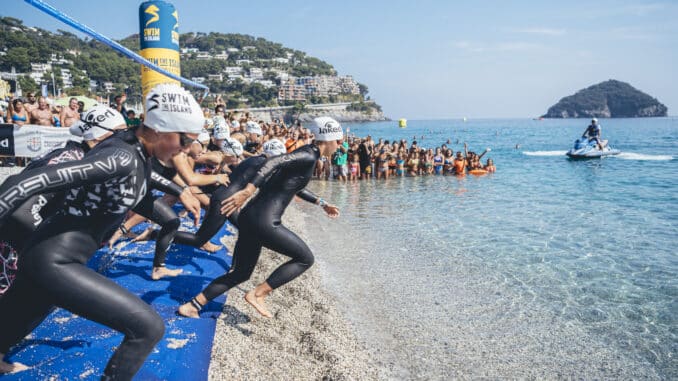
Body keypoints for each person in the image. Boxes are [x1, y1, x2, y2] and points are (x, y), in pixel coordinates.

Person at [0, 83, 204, 379]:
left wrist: (179, 190)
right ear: (160, 130)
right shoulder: (121, 157)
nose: (186, 149)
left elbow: (137, 188)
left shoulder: (137, 151)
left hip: (52, 252)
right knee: (149, 328)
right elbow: (25, 183)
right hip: (55, 259)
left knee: (24, 311)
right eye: (184, 140)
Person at [178, 116, 342, 319]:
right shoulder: (308, 155)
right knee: (305, 258)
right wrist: (248, 190)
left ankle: (192, 306)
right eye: (340, 141)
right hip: (265, 222)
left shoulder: (306, 155)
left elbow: (295, 186)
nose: (340, 145)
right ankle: (258, 294)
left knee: (240, 273)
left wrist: (322, 204)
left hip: (249, 217)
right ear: (331, 139)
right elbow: (273, 160)